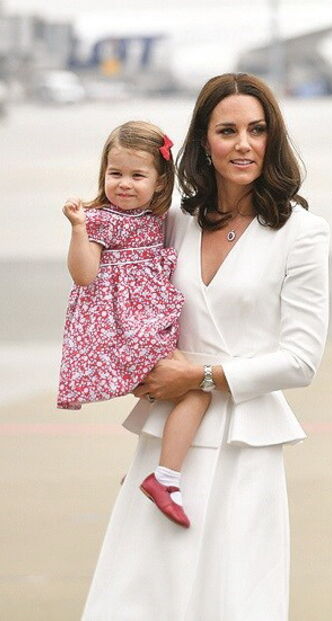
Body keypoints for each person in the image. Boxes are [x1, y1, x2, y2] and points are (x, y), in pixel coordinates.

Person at [82, 73, 329, 620]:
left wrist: (200, 377)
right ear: (203, 141)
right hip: (166, 444)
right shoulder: (174, 223)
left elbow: (301, 360)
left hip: (244, 443)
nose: (244, 144)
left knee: (233, 598)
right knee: (141, 599)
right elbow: (127, 300)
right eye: (227, 130)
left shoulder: (302, 232)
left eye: (257, 130)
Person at [57, 120, 208, 529]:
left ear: (160, 183)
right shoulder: (100, 220)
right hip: (125, 332)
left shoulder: (159, 219)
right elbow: (84, 274)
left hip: (150, 325)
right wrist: (78, 229)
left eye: (137, 175)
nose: (124, 184)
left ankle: (146, 468)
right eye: (115, 173)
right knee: (197, 389)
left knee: (173, 393)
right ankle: (165, 479)